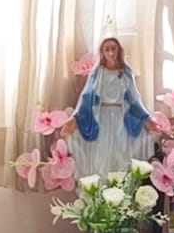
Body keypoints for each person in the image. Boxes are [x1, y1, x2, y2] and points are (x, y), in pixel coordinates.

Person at [62, 37, 156, 176]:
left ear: (119, 50)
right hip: (102, 119)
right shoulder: (97, 73)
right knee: (102, 153)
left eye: (113, 48)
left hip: (120, 119)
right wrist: (75, 118)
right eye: (107, 49)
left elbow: (134, 99)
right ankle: (103, 184)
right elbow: (86, 98)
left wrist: (147, 118)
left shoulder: (126, 72)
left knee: (121, 153)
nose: (111, 53)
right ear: (102, 52)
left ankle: (121, 184)